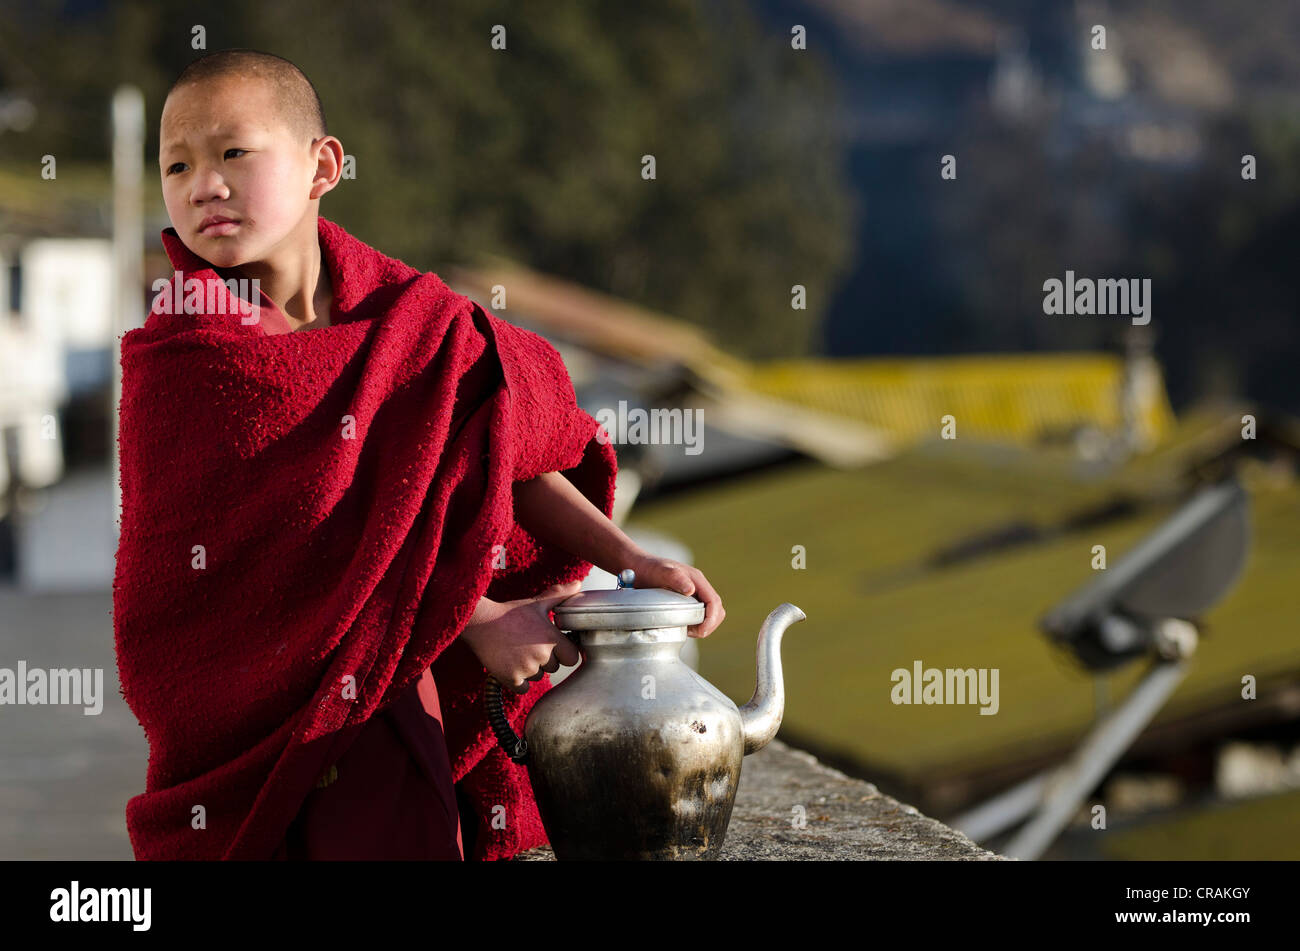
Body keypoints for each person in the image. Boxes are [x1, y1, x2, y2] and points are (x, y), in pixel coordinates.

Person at [118, 48, 724, 861]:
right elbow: (246, 580)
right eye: (177, 164)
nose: (204, 185)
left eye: (234, 152)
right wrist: (476, 620)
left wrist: (627, 558)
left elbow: (497, 444)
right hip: (274, 725)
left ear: (321, 165)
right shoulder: (186, 359)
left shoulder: (408, 318)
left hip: (389, 694)